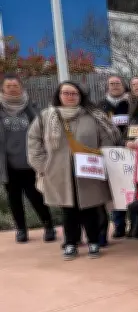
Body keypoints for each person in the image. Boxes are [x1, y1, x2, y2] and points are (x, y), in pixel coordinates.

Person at [27, 81, 121, 260]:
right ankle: (70, 243)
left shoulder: (94, 116)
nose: (70, 97)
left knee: (91, 209)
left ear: (80, 95)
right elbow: (33, 143)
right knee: (68, 210)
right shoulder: (46, 117)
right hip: (59, 172)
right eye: (66, 93)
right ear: (59, 95)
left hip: (89, 171)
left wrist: (101, 159)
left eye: (74, 93)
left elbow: (107, 139)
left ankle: (94, 241)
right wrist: (43, 166)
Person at [0, 74, 54, 244]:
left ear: (21, 87)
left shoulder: (32, 107)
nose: (12, 89)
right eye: (8, 86)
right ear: (3, 89)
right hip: (7, 164)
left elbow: (44, 131)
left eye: (15, 85)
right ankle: (21, 229)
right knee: (14, 198)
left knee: (37, 196)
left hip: (31, 162)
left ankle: (48, 226)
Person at [99, 74, 131, 239]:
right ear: (107, 87)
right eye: (111, 83)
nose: (114, 86)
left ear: (124, 85)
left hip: (130, 150)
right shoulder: (101, 106)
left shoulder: (132, 103)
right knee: (116, 190)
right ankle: (119, 224)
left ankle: (134, 224)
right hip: (111, 152)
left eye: (117, 83)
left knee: (131, 189)